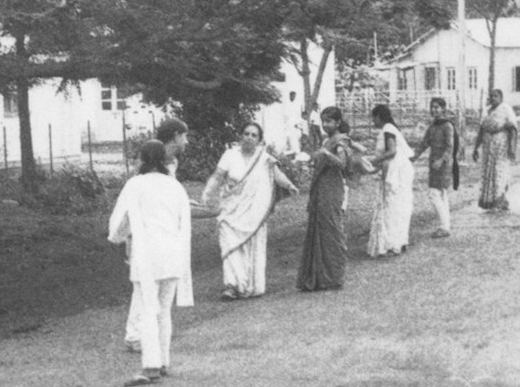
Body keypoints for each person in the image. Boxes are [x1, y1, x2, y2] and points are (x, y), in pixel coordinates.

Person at [108, 140, 194, 387]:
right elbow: (183, 222)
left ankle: (151, 366)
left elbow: (120, 221)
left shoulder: (135, 185)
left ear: (143, 160)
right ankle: (163, 361)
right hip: (173, 253)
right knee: (164, 310)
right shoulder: (175, 186)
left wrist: (116, 238)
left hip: (147, 254)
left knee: (148, 310)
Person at [201, 122, 297, 300]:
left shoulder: (263, 158)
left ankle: (250, 284)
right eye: (246, 134)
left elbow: (277, 174)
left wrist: (289, 185)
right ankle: (231, 286)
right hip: (231, 210)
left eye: (254, 135)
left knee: (252, 247)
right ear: (240, 136)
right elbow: (217, 176)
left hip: (254, 212)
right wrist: (207, 193)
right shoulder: (230, 155)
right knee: (229, 245)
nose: (249, 138)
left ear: (259, 140)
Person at [123, 117, 189, 353]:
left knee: (148, 290)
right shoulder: (152, 159)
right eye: (184, 136)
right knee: (144, 289)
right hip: (145, 231)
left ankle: (143, 335)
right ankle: (136, 335)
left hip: (159, 232)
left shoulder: (171, 162)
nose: (186, 141)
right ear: (174, 136)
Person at [296, 106, 352, 292]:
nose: (325, 124)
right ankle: (318, 277)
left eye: (329, 121)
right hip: (321, 187)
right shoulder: (327, 140)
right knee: (319, 229)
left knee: (331, 229)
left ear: (337, 122)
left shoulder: (340, 141)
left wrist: (326, 154)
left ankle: (333, 276)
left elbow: (342, 164)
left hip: (332, 189)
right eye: (323, 121)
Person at [365, 104, 414, 257]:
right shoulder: (390, 129)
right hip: (397, 169)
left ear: (379, 116)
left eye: (373, 118)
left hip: (397, 171)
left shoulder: (388, 129)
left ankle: (394, 242)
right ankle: (398, 240)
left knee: (393, 205)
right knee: (397, 205)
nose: (373, 121)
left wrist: (372, 161)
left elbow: (392, 152)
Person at [415, 97, 457, 239]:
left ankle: (444, 226)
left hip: (444, 164)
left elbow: (449, 146)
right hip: (434, 163)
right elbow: (424, 143)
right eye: (432, 107)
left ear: (443, 109)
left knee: (434, 193)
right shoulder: (432, 127)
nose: (434, 110)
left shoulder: (447, 126)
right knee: (442, 193)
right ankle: (446, 225)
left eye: (437, 107)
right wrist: (413, 156)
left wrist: (441, 160)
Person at [472, 89, 517, 211]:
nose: (493, 98)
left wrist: (512, 147)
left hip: (501, 145)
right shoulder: (486, 111)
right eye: (491, 96)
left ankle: (500, 200)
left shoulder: (506, 109)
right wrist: (476, 148)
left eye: (496, 96)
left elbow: (512, 128)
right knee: (488, 172)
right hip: (488, 147)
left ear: (501, 97)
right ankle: (491, 201)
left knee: (499, 171)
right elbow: (481, 130)